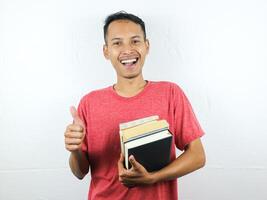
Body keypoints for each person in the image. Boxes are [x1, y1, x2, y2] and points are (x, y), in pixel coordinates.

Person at [64, 11, 205, 200]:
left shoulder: (171, 93)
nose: (127, 49)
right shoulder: (89, 103)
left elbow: (197, 156)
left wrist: (153, 178)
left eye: (135, 41)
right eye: (117, 43)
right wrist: (75, 150)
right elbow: (80, 172)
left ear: (147, 46)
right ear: (106, 51)